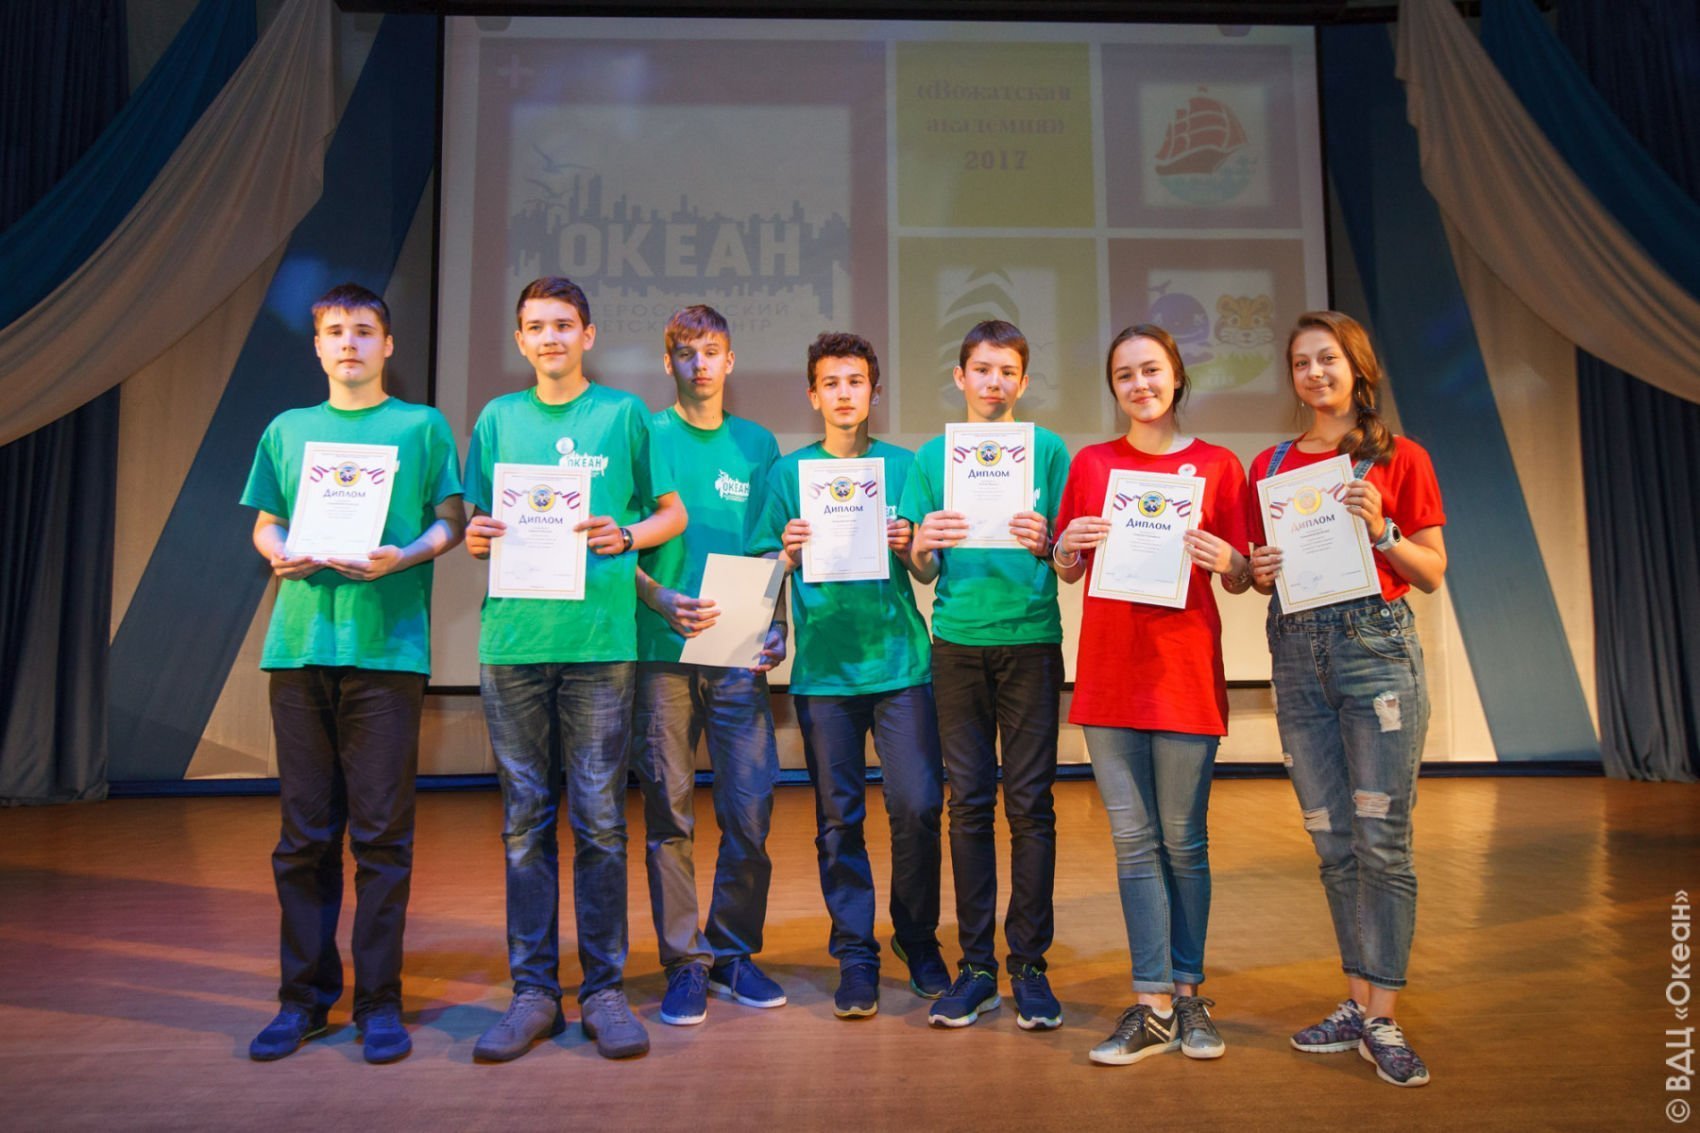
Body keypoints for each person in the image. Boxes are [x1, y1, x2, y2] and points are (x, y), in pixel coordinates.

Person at [463, 276, 687, 1062]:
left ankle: (602, 990)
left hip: (599, 644)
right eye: (536, 326)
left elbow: (671, 512)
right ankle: (533, 992)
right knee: (524, 823)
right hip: (513, 644)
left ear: (588, 335)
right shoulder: (497, 418)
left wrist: (627, 534)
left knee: (598, 820)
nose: (550, 337)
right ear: (520, 340)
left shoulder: (623, 415)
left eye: (563, 324)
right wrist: (478, 535)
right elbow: (476, 524)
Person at [242, 283, 465, 1064]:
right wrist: (279, 553)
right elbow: (266, 523)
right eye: (335, 331)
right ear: (317, 346)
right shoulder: (287, 428)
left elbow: (451, 521)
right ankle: (302, 999)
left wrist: (402, 555)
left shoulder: (422, 425)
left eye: (364, 331)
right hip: (299, 649)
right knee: (303, 838)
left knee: (381, 837)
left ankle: (378, 1002)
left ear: (388, 345)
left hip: (386, 652)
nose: (349, 343)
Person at [1248, 310, 1446, 1088]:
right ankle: (1358, 1001)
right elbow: (1255, 572)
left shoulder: (1401, 456)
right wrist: (1258, 568)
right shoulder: (1270, 465)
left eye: (1327, 358)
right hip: (1298, 655)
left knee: (1382, 840)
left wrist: (1385, 530)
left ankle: (1384, 1014)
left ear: (1358, 367)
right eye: (1301, 362)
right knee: (1331, 840)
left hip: (1376, 653)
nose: (1314, 373)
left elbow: (1431, 571)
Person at [1052, 324, 1251, 1067]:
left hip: (1183, 672)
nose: (1140, 384)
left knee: (1183, 840)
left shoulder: (1219, 466)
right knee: (1134, 842)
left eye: (1152, 370)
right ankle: (1154, 1003)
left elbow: (1244, 576)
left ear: (1177, 376)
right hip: (1110, 674)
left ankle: (1190, 992)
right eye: (1125, 375)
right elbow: (1066, 565)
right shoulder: (1093, 463)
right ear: (1114, 387)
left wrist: (1230, 560)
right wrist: (1066, 544)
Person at [748, 331, 949, 1018]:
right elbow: (763, 569)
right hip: (824, 673)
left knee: (917, 806)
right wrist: (785, 554)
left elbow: (928, 569)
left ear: (873, 391)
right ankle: (855, 952)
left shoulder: (905, 466)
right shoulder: (788, 475)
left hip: (900, 665)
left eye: (855, 381)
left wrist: (912, 545)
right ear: (813, 395)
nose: (843, 393)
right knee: (839, 820)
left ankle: (917, 938)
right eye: (830, 383)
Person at [898, 319, 1071, 1030]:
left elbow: (1070, 560)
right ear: (960, 377)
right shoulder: (931, 456)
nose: (993, 381)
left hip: (1031, 641)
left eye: (1007, 371)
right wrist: (923, 544)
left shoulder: (1049, 450)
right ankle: (976, 967)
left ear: (1023, 382)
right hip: (958, 643)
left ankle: (1028, 964)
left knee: (1031, 806)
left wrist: (1050, 543)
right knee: (967, 804)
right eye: (982, 369)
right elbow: (921, 568)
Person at [630, 305, 788, 1026]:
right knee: (669, 813)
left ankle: (732, 951)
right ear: (669, 363)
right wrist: (658, 597)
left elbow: (771, 547)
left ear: (730, 360)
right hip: (659, 653)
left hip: (735, 655)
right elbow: (617, 543)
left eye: (712, 351)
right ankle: (684, 961)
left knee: (750, 805)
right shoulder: (643, 435)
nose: (700, 364)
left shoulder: (758, 444)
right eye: (686, 352)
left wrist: (776, 623)